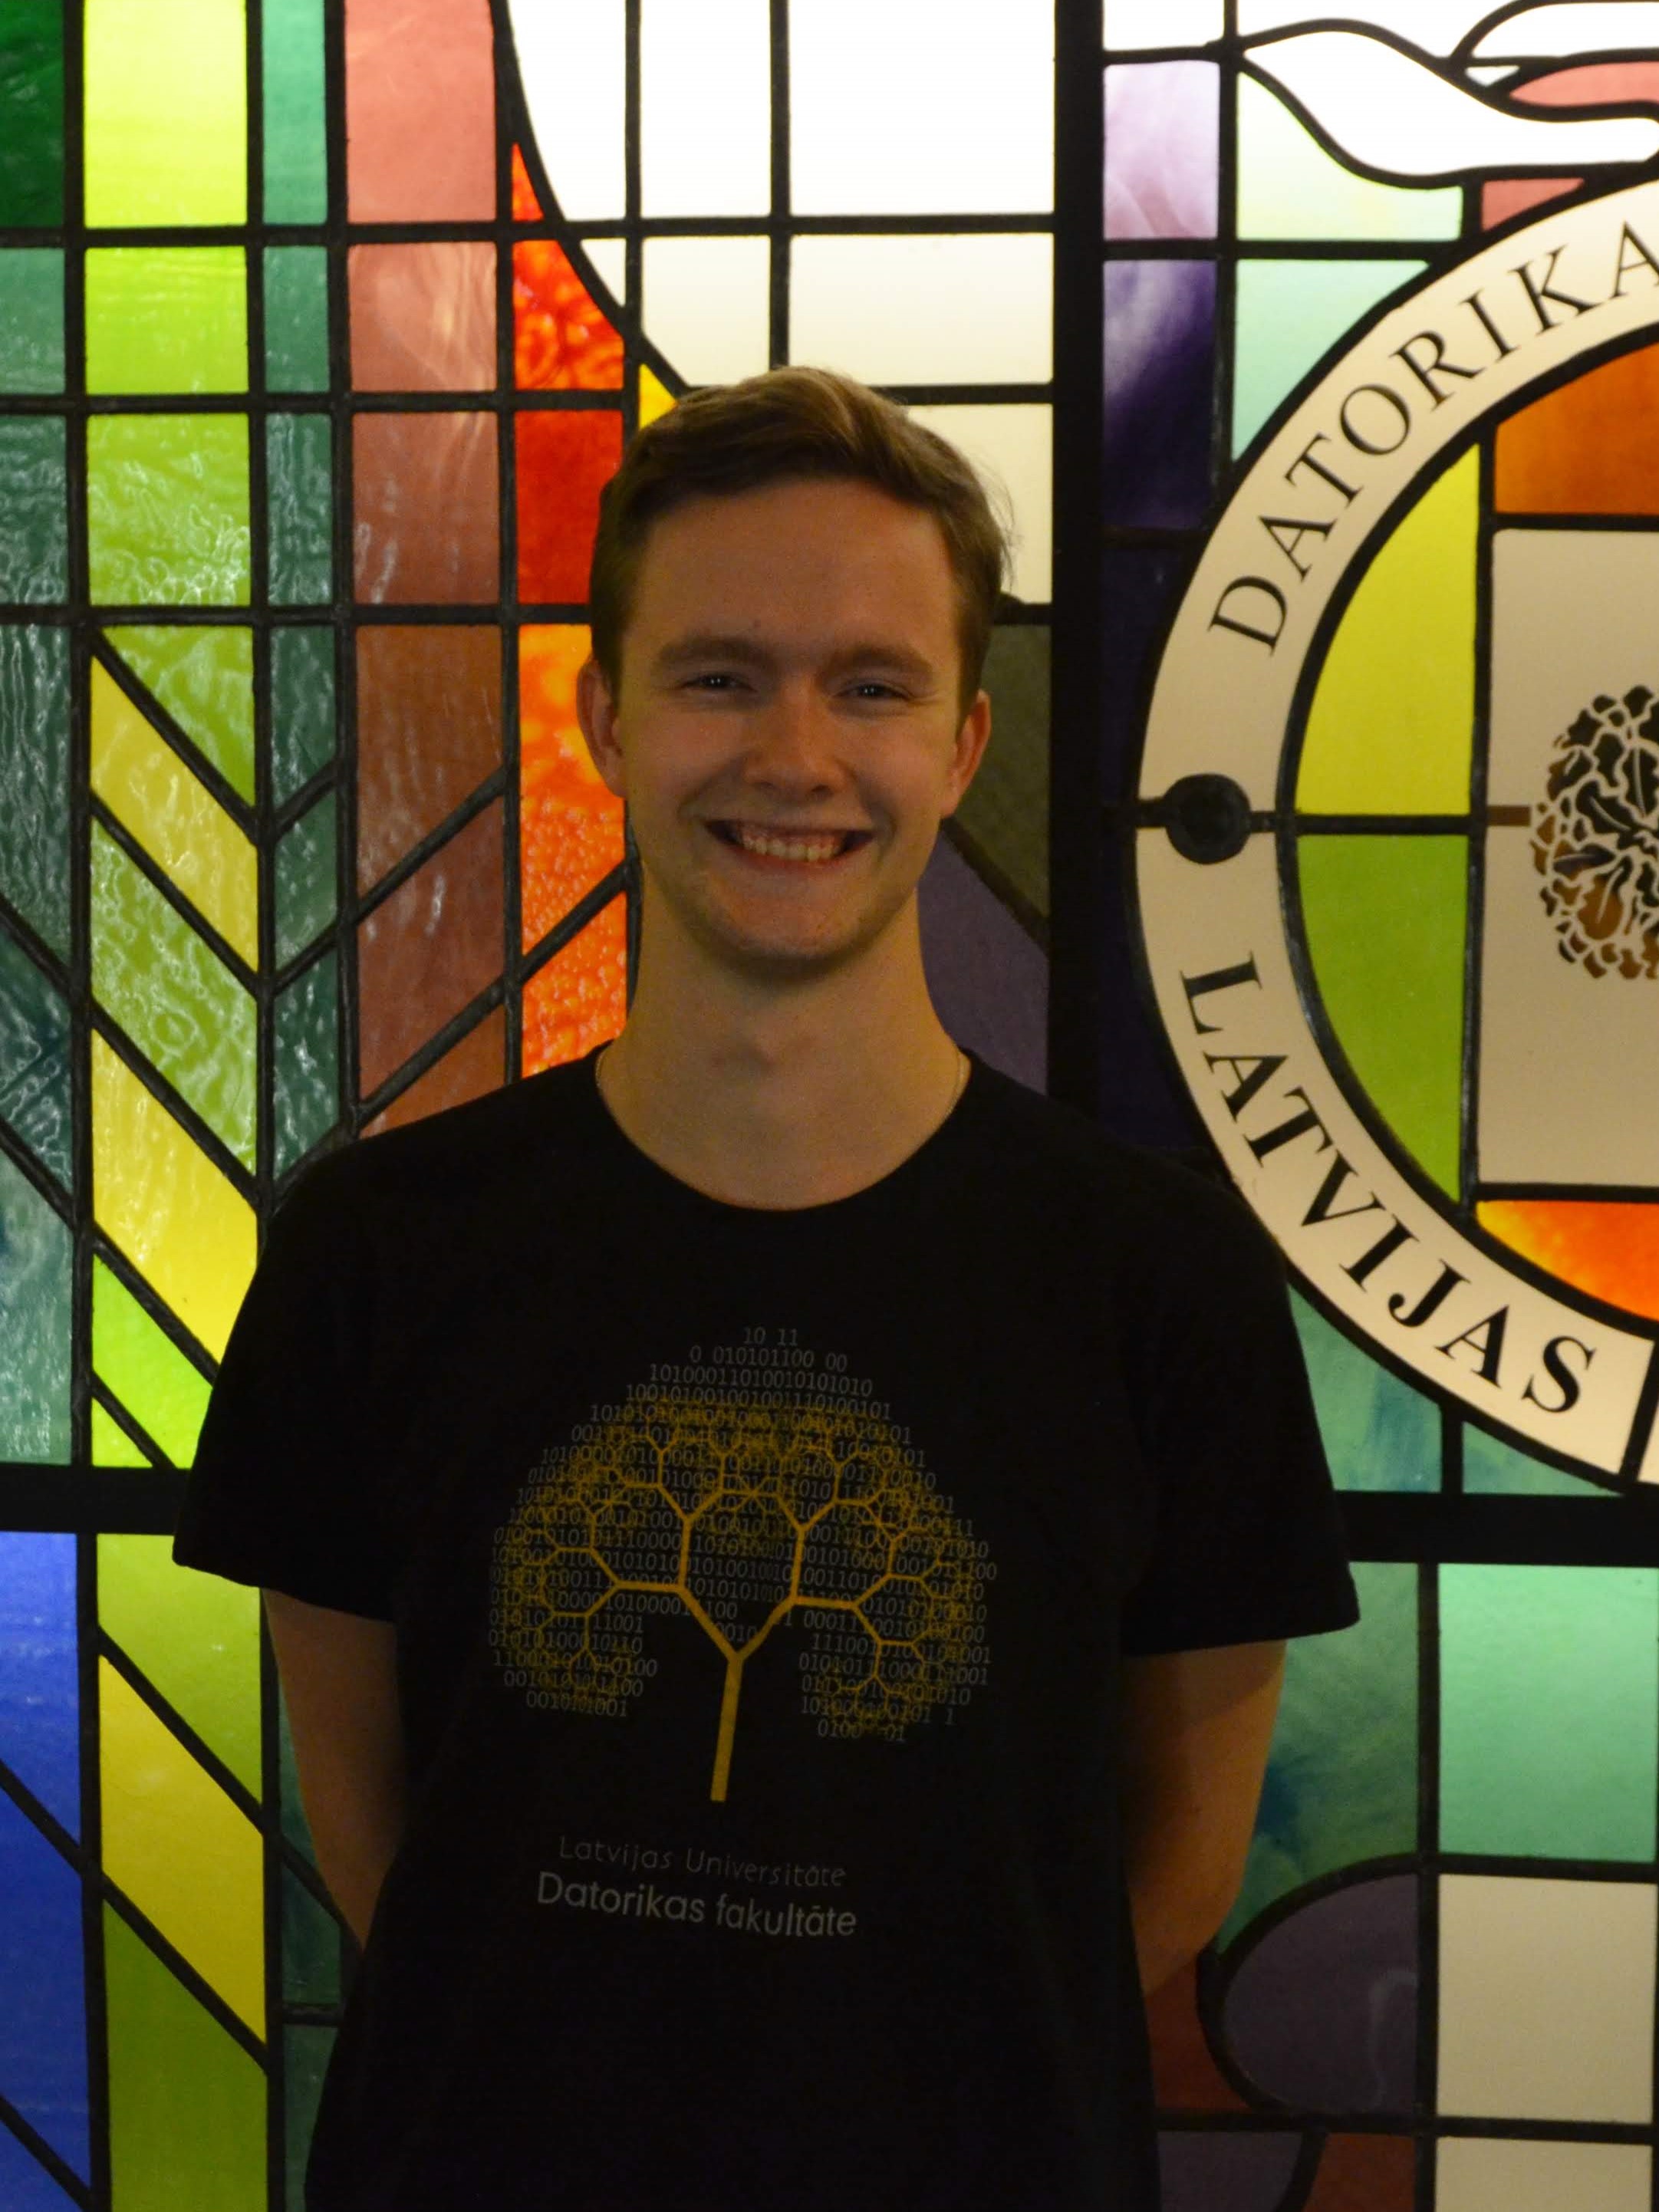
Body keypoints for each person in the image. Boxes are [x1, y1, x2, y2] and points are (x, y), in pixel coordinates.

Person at [173, 364, 1358, 2210]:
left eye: (869, 685)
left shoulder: (1161, 1279)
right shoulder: (374, 1251)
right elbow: (379, 1826)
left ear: (960, 742)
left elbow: (1174, 1866)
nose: (793, 755)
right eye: (718, 676)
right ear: (603, 716)